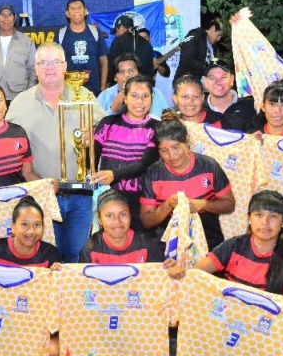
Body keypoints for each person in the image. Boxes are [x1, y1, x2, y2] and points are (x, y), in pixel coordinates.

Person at [6, 42, 107, 263]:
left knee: (76, 258)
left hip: (80, 196)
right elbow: (7, 145)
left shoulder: (85, 96)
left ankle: (71, 299)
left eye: (54, 62)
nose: (49, 67)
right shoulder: (20, 104)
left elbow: (105, 133)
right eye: (43, 62)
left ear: (65, 66)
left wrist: (95, 135)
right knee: (46, 260)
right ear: (35, 68)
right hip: (40, 197)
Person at [140, 115, 236, 250]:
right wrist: (167, 205)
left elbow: (229, 204)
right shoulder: (153, 174)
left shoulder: (209, 166)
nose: (172, 156)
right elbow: (147, 221)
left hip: (209, 244)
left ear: (187, 142)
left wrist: (202, 204)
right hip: (169, 249)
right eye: (164, 150)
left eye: (176, 147)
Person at [180, 190, 283, 294]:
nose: (265, 222)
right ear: (249, 219)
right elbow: (194, 274)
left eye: (273, 216)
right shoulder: (234, 246)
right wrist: (178, 271)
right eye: (259, 215)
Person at [92, 76, 160, 232]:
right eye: (134, 96)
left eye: (145, 96)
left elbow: (144, 164)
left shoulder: (156, 128)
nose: (140, 102)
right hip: (109, 201)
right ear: (125, 98)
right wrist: (84, 147)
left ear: (151, 98)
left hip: (141, 203)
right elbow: (92, 160)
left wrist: (114, 174)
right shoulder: (108, 123)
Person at [78, 190, 167, 264]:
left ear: (130, 215)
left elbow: (161, 275)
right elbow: (83, 282)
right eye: (109, 216)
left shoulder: (146, 245)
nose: (117, 221)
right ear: (99, 219)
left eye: (123, 214)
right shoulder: (91, 249)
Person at [0, 196, 62, 268]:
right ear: (13, 226)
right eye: (25, 224)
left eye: (37, 225)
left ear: (43, 227)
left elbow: (57, 284)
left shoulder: (50, 253)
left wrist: (57, 274)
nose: (31, 231)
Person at [0, 4, 37, 102]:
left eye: (9, 15)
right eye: (2, 15)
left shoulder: (26, 41)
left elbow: (33, 70)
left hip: (20, 98)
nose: (6, 18)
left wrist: (28, 95)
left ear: (14, 18)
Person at [58, 0, 108, 96]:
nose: (76, 11)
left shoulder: (95, 32)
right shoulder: (61, 34)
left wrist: (102, 87)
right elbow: (56, 63)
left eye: (79, 8)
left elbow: (104, 60)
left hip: (94, 91)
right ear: (67, 14)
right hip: (69, 91)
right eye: (72, 8)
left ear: (85, 11)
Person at [96, 53, 169, 118]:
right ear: (115, 77)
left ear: (139, 74)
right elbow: (96, 126)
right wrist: (113, 110)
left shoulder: (155, 93)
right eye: (122, 72)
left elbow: (168, 117)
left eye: (131, 71)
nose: (127, 75)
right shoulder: (105, 96)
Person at [203, 62, 256, 132]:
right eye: (212, 78)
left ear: (232, 79)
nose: (218, 82)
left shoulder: (251, 106)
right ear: (205, 82)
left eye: (223, 77)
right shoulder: (198, 110)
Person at [106, 15, 155, 83]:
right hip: (144, 85)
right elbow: (150, 70)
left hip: (124, 85)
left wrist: (110, 82)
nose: (116, 34)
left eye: (116, 30)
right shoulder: (146, 44)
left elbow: (112, 66)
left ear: (121, 27)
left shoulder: (118, 41)